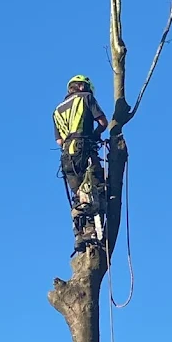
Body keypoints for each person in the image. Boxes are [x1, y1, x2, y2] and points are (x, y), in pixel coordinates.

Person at [53, 75, 109, 250]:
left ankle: (80, 233)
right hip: (83, 148)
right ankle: (92, 230)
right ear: (83, 86)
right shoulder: (86, 97)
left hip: (66, 157)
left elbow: (59, 142)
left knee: (78, 194)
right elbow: (103, 122)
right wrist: (96, 134)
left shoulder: (57, 110)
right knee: (95, 186)